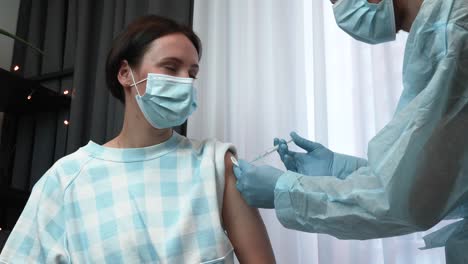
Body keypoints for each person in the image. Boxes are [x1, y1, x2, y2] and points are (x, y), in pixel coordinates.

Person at [0, 15, 275, 263]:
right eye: (171, 68)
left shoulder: (216, 163)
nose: (186, 82)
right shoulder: (66, 179)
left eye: (192, 73)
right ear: (124, 73)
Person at [233, 0, 468, 262]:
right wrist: (340, 170)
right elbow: (441, 182)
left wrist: (285, 190)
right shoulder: (441, 33)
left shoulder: (455, 33)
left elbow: (402, 202)